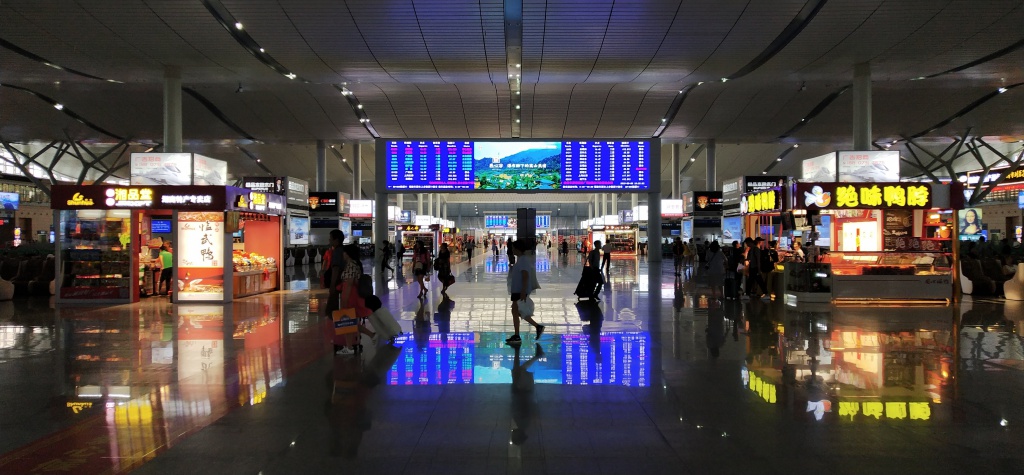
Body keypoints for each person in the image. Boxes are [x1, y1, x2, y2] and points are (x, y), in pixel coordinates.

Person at [506, 240, 545, 345]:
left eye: (514, 248)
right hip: (517, 290)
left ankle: (519, 334)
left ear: (518, 249)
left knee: (516, 311)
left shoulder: (523, 260)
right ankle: (535, 328)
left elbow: (525, 275)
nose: (512, 249)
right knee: (516, 312)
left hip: (519, 290)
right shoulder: (521, 259)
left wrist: (523, 290)